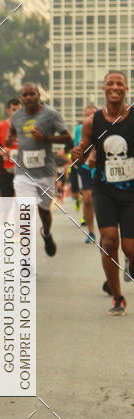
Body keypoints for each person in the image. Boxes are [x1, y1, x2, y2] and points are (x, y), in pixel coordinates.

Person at [73, 72, 134, 315]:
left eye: (120, 83)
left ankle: (129, 262)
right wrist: (77, 153)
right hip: (103, 188)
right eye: (111, 83)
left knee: (130, 249)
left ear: (126, 88)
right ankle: (118, 297)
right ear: (104, 88)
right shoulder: (92, 122)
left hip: (131, 191)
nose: (115, 87)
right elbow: (83, 150)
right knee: (109, 241)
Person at [7, 83, 71, 256]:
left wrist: (46, 138)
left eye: (32, 94)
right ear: (21, 98)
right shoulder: (17, 116)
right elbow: (12, 130)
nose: (28, 98)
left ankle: (46, 233)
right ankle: (25, 257)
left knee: (44, 211)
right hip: (23, 173)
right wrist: (10, 137)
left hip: (45, 172)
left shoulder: (51, 115)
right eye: (25, 95)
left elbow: (68, 138)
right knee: (25, 212)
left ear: (38, 95)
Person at [73, 103, 97, 242]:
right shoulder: (79, 129)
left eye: (92, 115)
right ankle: (91, 232)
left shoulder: (104, 127)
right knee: (87, 199)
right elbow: (77, 148)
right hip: (85, 167)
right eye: (87, 115)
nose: (89, 117)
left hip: (100, 167)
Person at [0, 97, 20, 197]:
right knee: (6, 200)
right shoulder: (0, 126)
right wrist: (1, 152)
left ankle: (24, 212)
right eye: (14, 110)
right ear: (8, 111)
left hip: (24, 169)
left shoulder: (27, 126)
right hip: (6, 169)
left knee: (25, 201)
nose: (16, 113)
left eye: (19, 110)